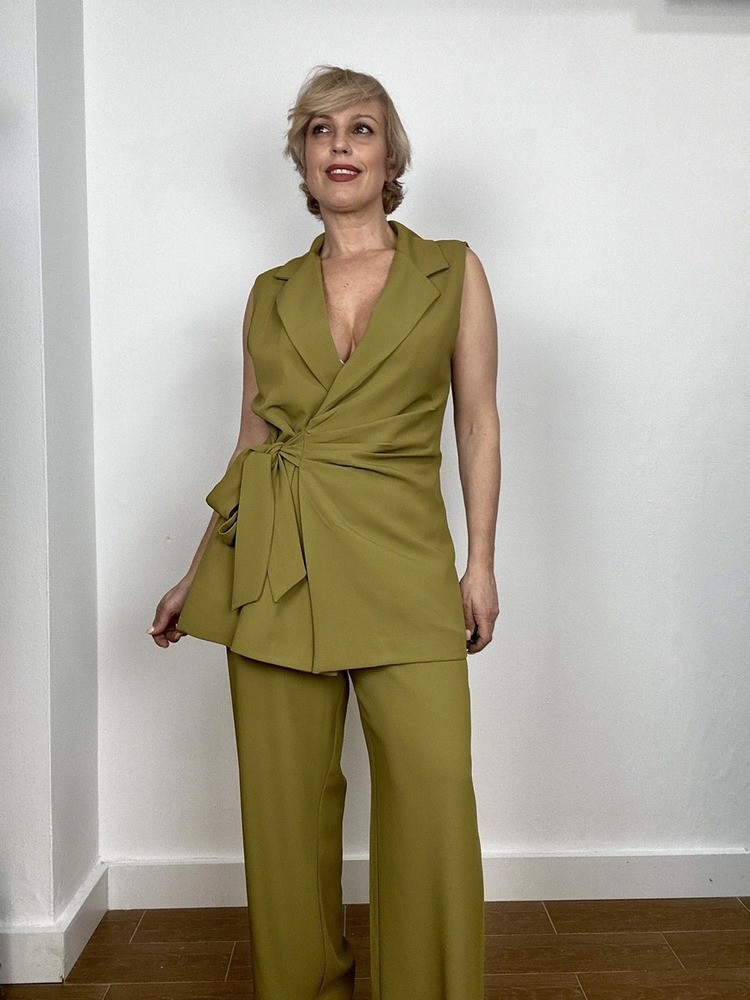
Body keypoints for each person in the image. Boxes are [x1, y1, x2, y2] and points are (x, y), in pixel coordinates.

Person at [149, 64, 500, 1000]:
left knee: (432, 794)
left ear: (391, 158)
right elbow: (251, 441)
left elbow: (477, 423)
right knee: (286, 815)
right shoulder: (269, 292)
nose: (339, 146)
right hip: (275, 563)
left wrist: (480, 564)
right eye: (320, 130)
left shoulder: (451, 270)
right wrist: (197, 572)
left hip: (403, 557)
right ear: (304, 160)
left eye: (360, 129)